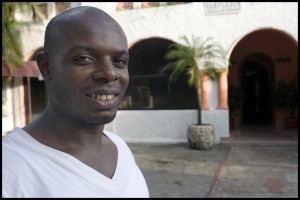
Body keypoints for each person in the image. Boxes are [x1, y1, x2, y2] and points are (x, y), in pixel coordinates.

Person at [2, 6, 149, 198]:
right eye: (84, 59)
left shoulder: (120, 148)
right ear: (46, 67)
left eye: (119, 61)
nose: (109, 73)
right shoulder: (9, 168)